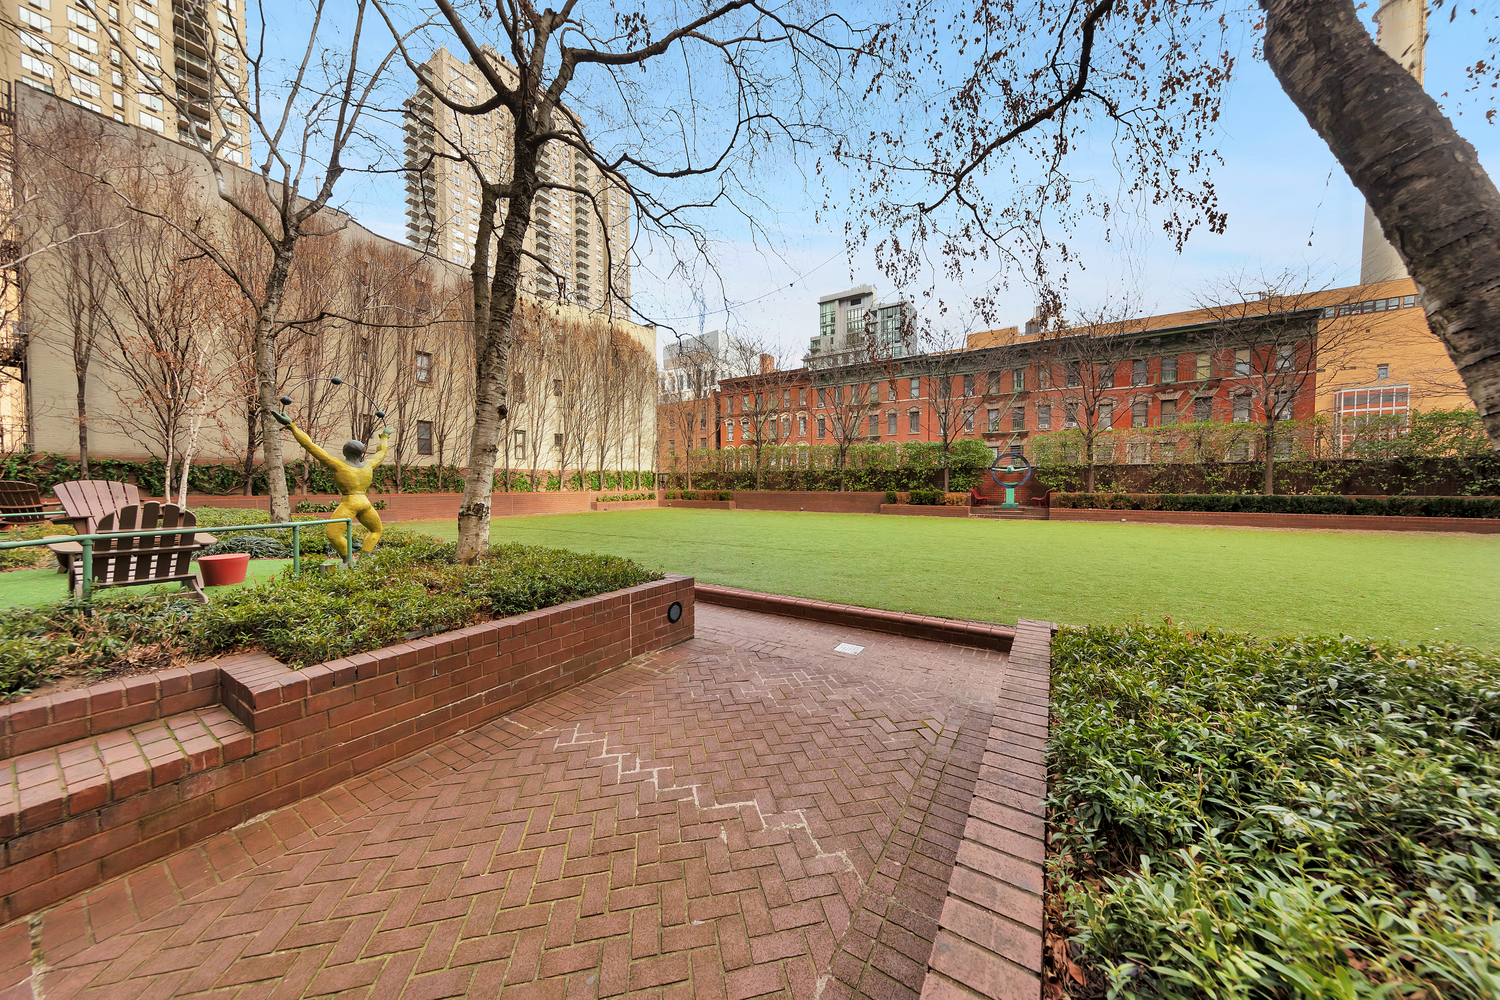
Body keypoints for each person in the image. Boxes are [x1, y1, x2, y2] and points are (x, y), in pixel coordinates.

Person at [273, 411, 391, 558]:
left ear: (344, 452)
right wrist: (385, 436)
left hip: (350, 503)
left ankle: (348, 560)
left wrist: (292, 427)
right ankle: (364, 558)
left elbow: (310, 446)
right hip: (365, 502)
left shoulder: (339, 465)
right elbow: (382, 452)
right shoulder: (369, 464)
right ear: (361, 453)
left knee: (333, 534)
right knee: (376, 530)